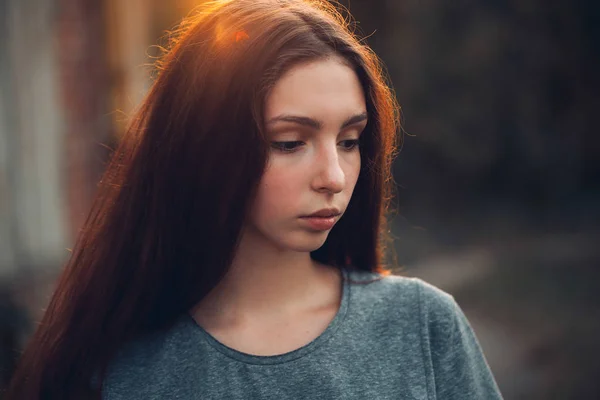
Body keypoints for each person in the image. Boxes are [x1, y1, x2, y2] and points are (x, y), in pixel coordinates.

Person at [6, 0, 503, 398]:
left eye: (350, 141)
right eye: (289, 142)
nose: (334, 176)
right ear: (205, 146)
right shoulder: (112, 369)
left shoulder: (422, 325)